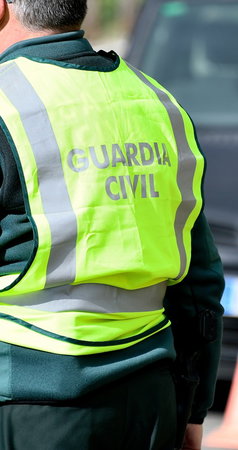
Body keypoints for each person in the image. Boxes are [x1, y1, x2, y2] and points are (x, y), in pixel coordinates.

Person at [0, 0, 224, 449]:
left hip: (30, 397)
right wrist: (193, 407)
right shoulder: (158, 102)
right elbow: (199, 282)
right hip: (150, 398)